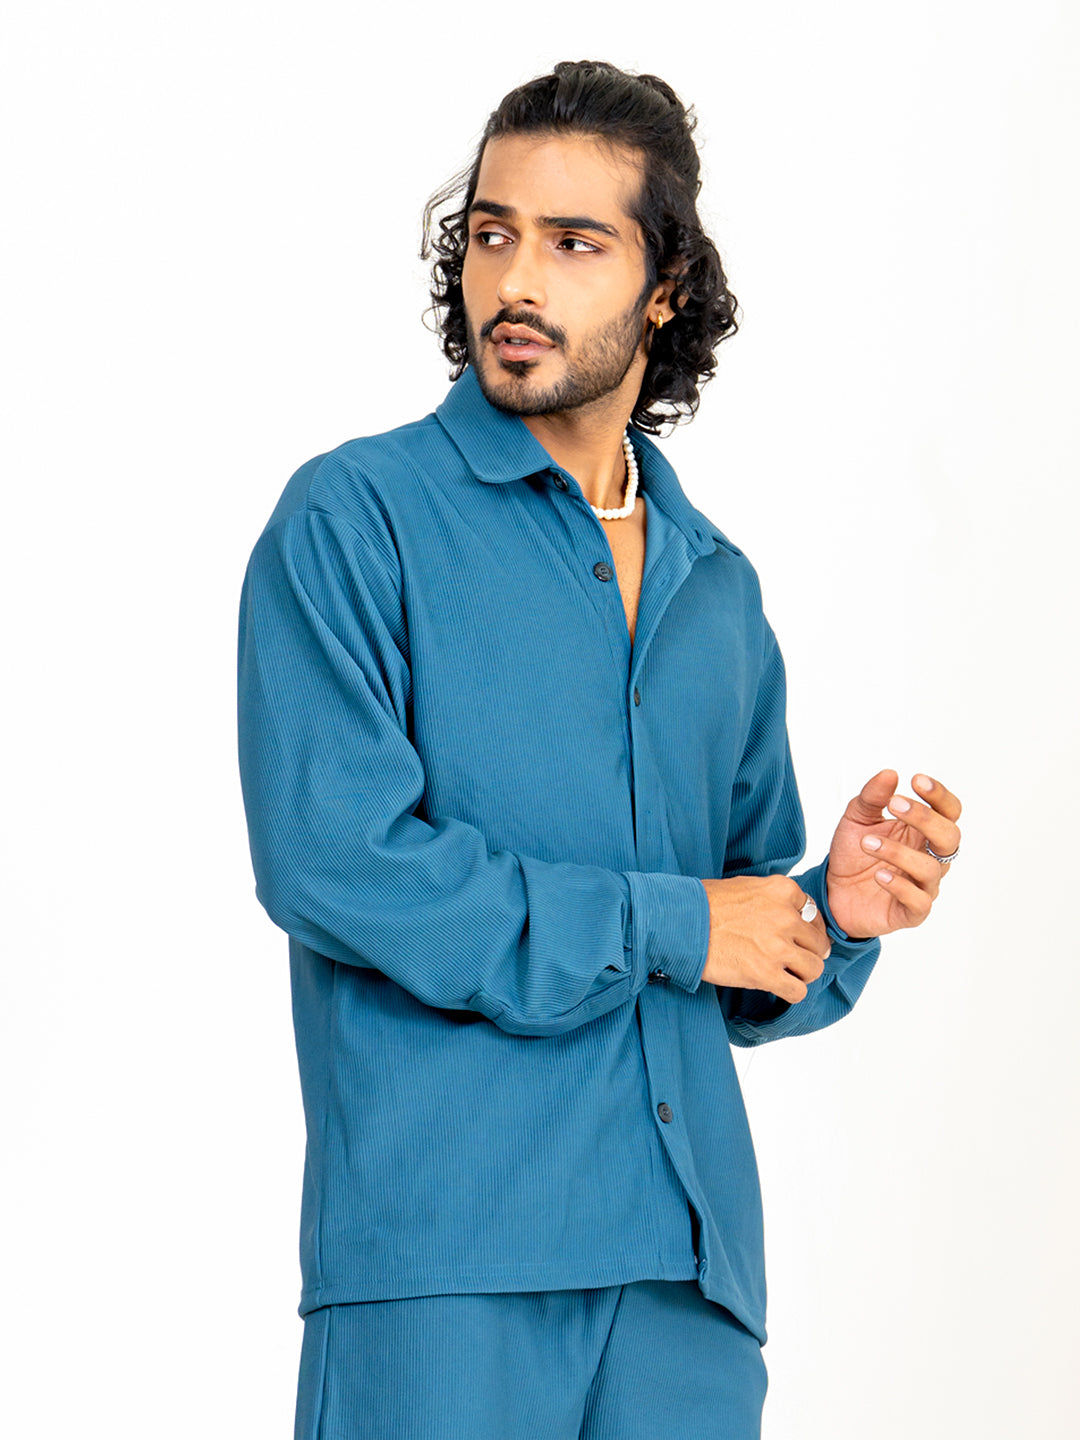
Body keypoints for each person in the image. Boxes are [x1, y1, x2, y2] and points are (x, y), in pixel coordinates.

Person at [237, 60, 961, 1440]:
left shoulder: (716, 588)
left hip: (689, 1285)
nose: (516, 282)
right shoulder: (354, 519)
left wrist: (832, 912)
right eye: (493, 234)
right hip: (448, 1264)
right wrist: (682, 924)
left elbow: (734, 942)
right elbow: (339, 865)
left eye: (575, 243)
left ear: (666, 284)